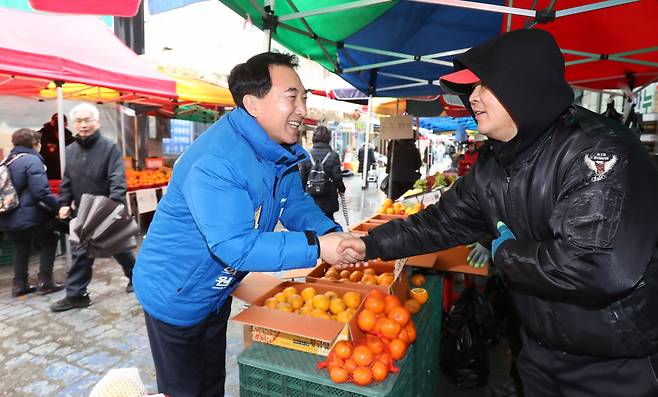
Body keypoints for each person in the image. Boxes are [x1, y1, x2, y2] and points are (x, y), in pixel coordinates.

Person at [335, 29, 658, 396]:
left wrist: (504, 253)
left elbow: (595, 265)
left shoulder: (598, 153)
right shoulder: (494, 163)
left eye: (485, 85)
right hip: (538, 350)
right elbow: (440, 222)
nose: (472, 97)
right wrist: (368, 245)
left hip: (615, 362)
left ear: (524, 86)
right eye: (471, 87)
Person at [132, 52, 353, 397]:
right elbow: (233, 245)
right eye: (292, 97)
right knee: (185, 389)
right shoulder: (217, 161)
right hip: (175, 292)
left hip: (215, 289)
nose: (303, 110)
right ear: (253, 104)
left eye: (304, 98)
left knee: (211, 383)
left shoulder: (277, 151)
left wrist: (330, 233)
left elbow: (293, 204)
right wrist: (316, 247)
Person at [50, 103, 135, 312]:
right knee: (87, 251)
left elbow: (117, 179)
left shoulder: (110, 148)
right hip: (83, 210)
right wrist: (63, 203)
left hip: (107, 208)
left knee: (119, 249)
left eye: (88, 120)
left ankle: (136, 279)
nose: (83, 125)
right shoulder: (70, 150)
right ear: (73, 124)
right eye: (79, 121)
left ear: (97, 122)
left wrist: (112, 207)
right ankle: (77, 295)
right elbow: (67, 180)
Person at [0, 128, 65, 297]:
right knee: (49, 240)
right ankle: (45, 282)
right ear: (36, 144)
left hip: (7, 216)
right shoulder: (32, 161)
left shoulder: (6, 161)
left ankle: (19, 284)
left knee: (21, 246)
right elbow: (41, 192)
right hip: (29, 216)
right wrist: (59, 207)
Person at [300, 126, 346, 221]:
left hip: (311, 197)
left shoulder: (307, 155)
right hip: (328, 196)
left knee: (312, 222)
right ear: (328, 139)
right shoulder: (333, 156)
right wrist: (342, 189)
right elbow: (337, 177)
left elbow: (302, 178)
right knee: (329, 221)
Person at [38, 113, 75, 180]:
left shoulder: (70, 138)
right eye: (56, 121)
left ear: (66, 124)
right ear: (51, 122)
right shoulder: (42, 134)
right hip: (47, 170)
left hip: (64, 170)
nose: (59, 124)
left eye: (61, 122)